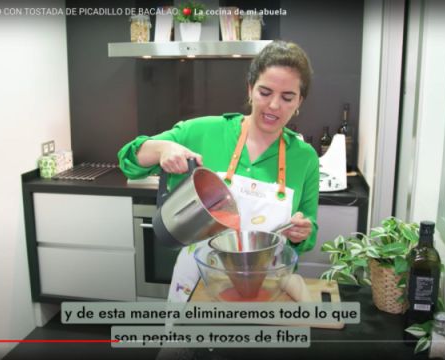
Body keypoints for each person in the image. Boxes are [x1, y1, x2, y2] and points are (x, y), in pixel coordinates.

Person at [118, 40, 319, 302]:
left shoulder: (305, 157)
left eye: (287, 97)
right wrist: (162, 148)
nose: (273, 105)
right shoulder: (205, 131)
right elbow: (128, 162)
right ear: (250, 89)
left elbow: (309, 232)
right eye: (265, 92)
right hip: (199, 282)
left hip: (267, 288)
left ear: (300, 100)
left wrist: (302, 231)